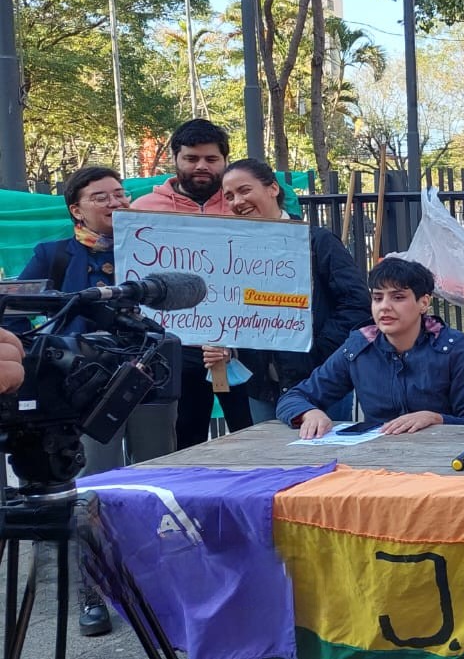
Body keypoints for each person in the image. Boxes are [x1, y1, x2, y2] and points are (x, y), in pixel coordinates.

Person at [12, 166, 177, 636]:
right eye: (100, 196)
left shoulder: (157, 248)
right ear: (76, 209)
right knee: (93, 491)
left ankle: (157, 587)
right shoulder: (53, 256)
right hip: (83, 393)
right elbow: (24, 319)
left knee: (154, 483)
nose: (114, 202)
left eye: (120, 194)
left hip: (149, 383)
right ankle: (94, 589)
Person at [216, 159, 368, 426]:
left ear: (273, 188)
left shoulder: (317, 241)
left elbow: (357, 303)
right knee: (272, 464)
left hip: (320, 384)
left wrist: (318, 351)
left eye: (245, 190)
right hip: (261, 386)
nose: (237, 201)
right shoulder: (233, 252)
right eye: (229, 196)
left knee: (327, 463)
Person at [130, 119, 250, 448]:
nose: (201, 166)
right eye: (192, 158)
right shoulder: (142, 211)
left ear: (225, 161)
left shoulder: (243, 207)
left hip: (242, 343)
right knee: (186, 440)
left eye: (211, 159)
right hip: (176, 347)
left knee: (254, 435)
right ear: (176, 158)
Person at [276, 258, 464, 438]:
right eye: (378, 298)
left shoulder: (452, 348)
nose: (384, 306)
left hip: (444, 460)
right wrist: (310, 413)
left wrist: (435, 418)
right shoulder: (359, 347)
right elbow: (293, 397)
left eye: (398, 297)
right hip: (377, 460)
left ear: (423, 303)